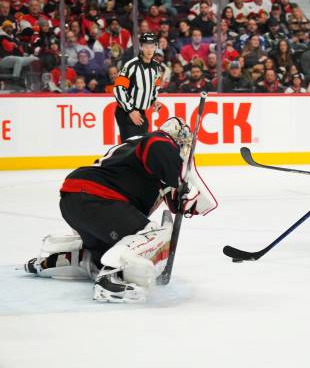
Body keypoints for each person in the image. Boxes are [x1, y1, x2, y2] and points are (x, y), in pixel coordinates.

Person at [24, 118, 217, 303]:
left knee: (102, 255)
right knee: (156, 234)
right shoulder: (160, 141)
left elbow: (178, 202)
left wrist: (188, 197)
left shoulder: (145, 156)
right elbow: (161, 152)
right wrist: (186, 186)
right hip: (98, 199)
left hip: (76, 200)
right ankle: (109, 281)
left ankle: (62, 261)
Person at [113, 33, 162, 141]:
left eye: (152, 46)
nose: (149, 50)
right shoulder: (131, 65)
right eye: (146, 46)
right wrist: (130, 110)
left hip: (140, 112)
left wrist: (154, 100)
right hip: (126, 112)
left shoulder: (156, 67)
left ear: (156, 47)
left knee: (141, 147)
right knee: (131, 148)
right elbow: (118, 88)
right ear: (140, 47)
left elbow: (155, 86)